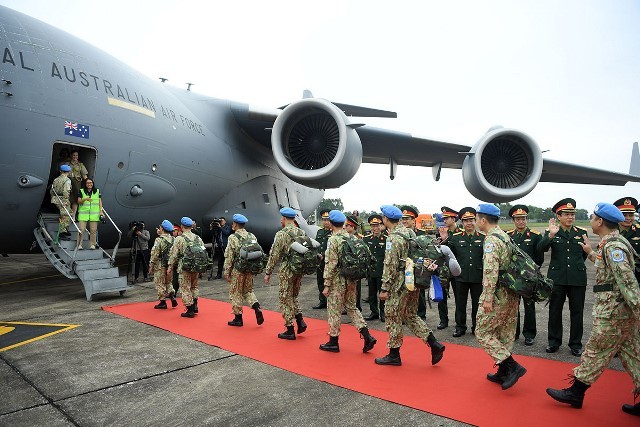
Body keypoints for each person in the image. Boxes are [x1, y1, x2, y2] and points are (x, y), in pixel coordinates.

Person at [546, 203, 640, 416]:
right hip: (620, 313)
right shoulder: (611, 243)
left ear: (600, 222)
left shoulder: (613, 247)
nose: (590, 220)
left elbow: (628, 283)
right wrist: (590, 253)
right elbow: (604, 266)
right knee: (634, 356)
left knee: (594, 352)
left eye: (593, 217)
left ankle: (576, 393)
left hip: (614, 314)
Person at [375, 205, 445, 367]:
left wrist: (385, 288)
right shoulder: (410, 232)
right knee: (410, 315)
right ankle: (434, 344)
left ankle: (394, 354)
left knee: (393, 316)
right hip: (413, 279)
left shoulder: (393, 238)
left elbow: (390, 265)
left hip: (399, 282)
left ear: (385, 219)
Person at [475, 204, 527, 390]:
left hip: (497, 293)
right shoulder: (505, 236)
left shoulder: (491, 240)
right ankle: (503, 371)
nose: (475, 222)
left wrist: (487, 297)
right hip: (511, 292)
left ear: (483, 220)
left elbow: (490, 271)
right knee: (504, 331)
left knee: (482, 332)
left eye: (476, 218)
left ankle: (511, 366)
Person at [320, 210, 377, 353]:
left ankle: (333, 341)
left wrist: (326, 284)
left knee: (334, 309)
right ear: (344, 224)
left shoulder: (333, 240)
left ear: (332, 224)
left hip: (337, 280)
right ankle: (366, 335)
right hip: (351, 279)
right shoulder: (352, 237)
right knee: (352, 307)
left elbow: (331, 264)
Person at [539, 198, 588, 356]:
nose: (570, 217)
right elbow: (541, 248)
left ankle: (575, 344)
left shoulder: (581, 233)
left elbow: (583, 255)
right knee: (554, 311)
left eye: (572, 214)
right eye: (566, 214)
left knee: (577, 312)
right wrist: (551, 236)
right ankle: (554, 342)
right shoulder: (552, 232)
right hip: (557, 278)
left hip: (577, 278)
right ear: (558, 216)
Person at [264, 207, 308, 340]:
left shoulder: (281, 234)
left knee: (285, 298)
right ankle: (300, 321)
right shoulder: (301, 232)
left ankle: (289, 329)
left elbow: (274, 255)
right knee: (294, 296)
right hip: (299, 269)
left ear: (284, 219)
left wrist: (268, 272)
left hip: (287, 270)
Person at [442, 207, 485, 337]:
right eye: (466, 221)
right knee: (460, 304)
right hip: (460, 277)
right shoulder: (455, 238)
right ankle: (460, 327)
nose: (469, 223)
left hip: (477, 276)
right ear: (462, 222)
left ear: (475, 221)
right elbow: (447, 255)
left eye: (471, 220)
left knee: (477, 304)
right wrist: (444, 239)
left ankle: (476, 327)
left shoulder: (483, 237)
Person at [507, 205, 543, 346]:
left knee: (529, 307)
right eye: (518, 219)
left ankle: (529, 334)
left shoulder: (535, 236)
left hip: (529, 277)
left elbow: (539, 257)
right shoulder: (509, 236)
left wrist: (533, 272)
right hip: (514, 277)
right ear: (513, 221)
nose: (521, 221)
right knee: (513, 306)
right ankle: (513, 333)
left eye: (523, 219)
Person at [223, 214, 264, 327]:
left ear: (235, 224)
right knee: (248, 291)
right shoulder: (252, 236)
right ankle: (256, 308)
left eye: (233, 223)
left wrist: (227, 271)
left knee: (236, 292)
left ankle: (238, 318)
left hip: (238, 269)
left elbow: (229, 256)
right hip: (250, 269)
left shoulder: (233, 237)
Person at [167, 217, 205, 318]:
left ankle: (190, 310)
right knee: (194, 286)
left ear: (182, 226)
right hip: (196, 266)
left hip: (184, 267)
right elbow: (203, 252)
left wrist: (170, 266)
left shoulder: (179, 239)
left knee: (185, 287)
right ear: (192, 226)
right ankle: (195, 305)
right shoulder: (198, 238)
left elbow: (174, 254)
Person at [436, 206, 462, 330]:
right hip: (444, 270)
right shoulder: (440, 232)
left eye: (447, 218)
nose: (444, 220)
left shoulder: (461, 232)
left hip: (457, 270)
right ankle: (443, 320)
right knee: (442, 297)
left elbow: (457, 250)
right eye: (444, 218)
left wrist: (445, 239)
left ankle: (459, 323)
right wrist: (442, 239)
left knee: (459, 298)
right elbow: (438, 250)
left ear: (454, 218)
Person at [148, 220, 177, 309]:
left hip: (160, 265)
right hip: (169, 265)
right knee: (168, 282)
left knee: (160, 283)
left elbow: (155, 253)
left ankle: (163, 302)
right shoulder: (173, 239)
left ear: (162, 229)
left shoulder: (159, 240)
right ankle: (172, 295)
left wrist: (151, 265)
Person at [363, 214, 387, 321]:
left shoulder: (386, 239)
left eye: (377, 225)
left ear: (381, 226)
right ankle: (374, 312)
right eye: (373, 226)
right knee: (371, 294)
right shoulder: (366, 239)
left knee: (382, 293)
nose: (375, 228)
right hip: (371, 271)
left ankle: (383, 312)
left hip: (382, 271)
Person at [615, 197, 640, 282]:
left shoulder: (639, 231)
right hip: (617, 278)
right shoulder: (610, 231)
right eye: (624, 215)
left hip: (637, 277)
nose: (628, 218)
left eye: (631, 215)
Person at [75, 178, 103, 250]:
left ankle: (92, 245)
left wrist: (101, 211)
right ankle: (79, 245)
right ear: (85, 184)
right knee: (81, 229)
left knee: (93, 230)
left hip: (94, 214)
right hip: (83, 214)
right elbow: (79, 201)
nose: (89, 184)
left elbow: (100, 202)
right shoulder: (81, 191)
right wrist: (85, 199)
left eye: (91, 183)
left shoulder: (97, 191)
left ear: (93, 183)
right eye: (88, 183)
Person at [312, 209, 331, 309]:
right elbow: (317, 245)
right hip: (320, 261)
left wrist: (324, 254)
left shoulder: (333, 233)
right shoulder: (319, 232)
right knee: (320, 281)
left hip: (329, 262)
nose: (325, 222)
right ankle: (322, 301)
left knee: (329, 281)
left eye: (327, 219)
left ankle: (330, 301)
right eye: (324, 219)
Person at [345, 214, 363, 311]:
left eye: (347, 225)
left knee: (356, 288)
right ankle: (349, 306)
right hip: (347, 267)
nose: (345, 227)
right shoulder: (345, 237)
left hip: (356, 267)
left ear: (352, 226)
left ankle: (357, 306)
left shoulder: (359, 238)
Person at [51, 164, 72, 239]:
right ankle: (62, 232)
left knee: (69, 213)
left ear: (61, 171)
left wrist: (54, 198)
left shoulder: (56, 179)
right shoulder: (67, 180)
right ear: (68, 172)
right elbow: (66, 191)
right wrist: (65, 201)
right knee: (65, 215)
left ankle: (65, 229)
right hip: (63, 199)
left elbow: (52, 191)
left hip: (56, 198)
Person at [65, 150, 88, 219]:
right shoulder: (67, 164)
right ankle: (66, 214)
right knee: (67, 198)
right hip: (68, 182)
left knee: (75, 200)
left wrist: (88, 183)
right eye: (74, 155)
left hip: (77, 183)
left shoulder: (80, 165)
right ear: (71, 156)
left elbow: (84, 175)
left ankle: (73, 215)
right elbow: (63, 174)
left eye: (76, 155)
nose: (75, 156)